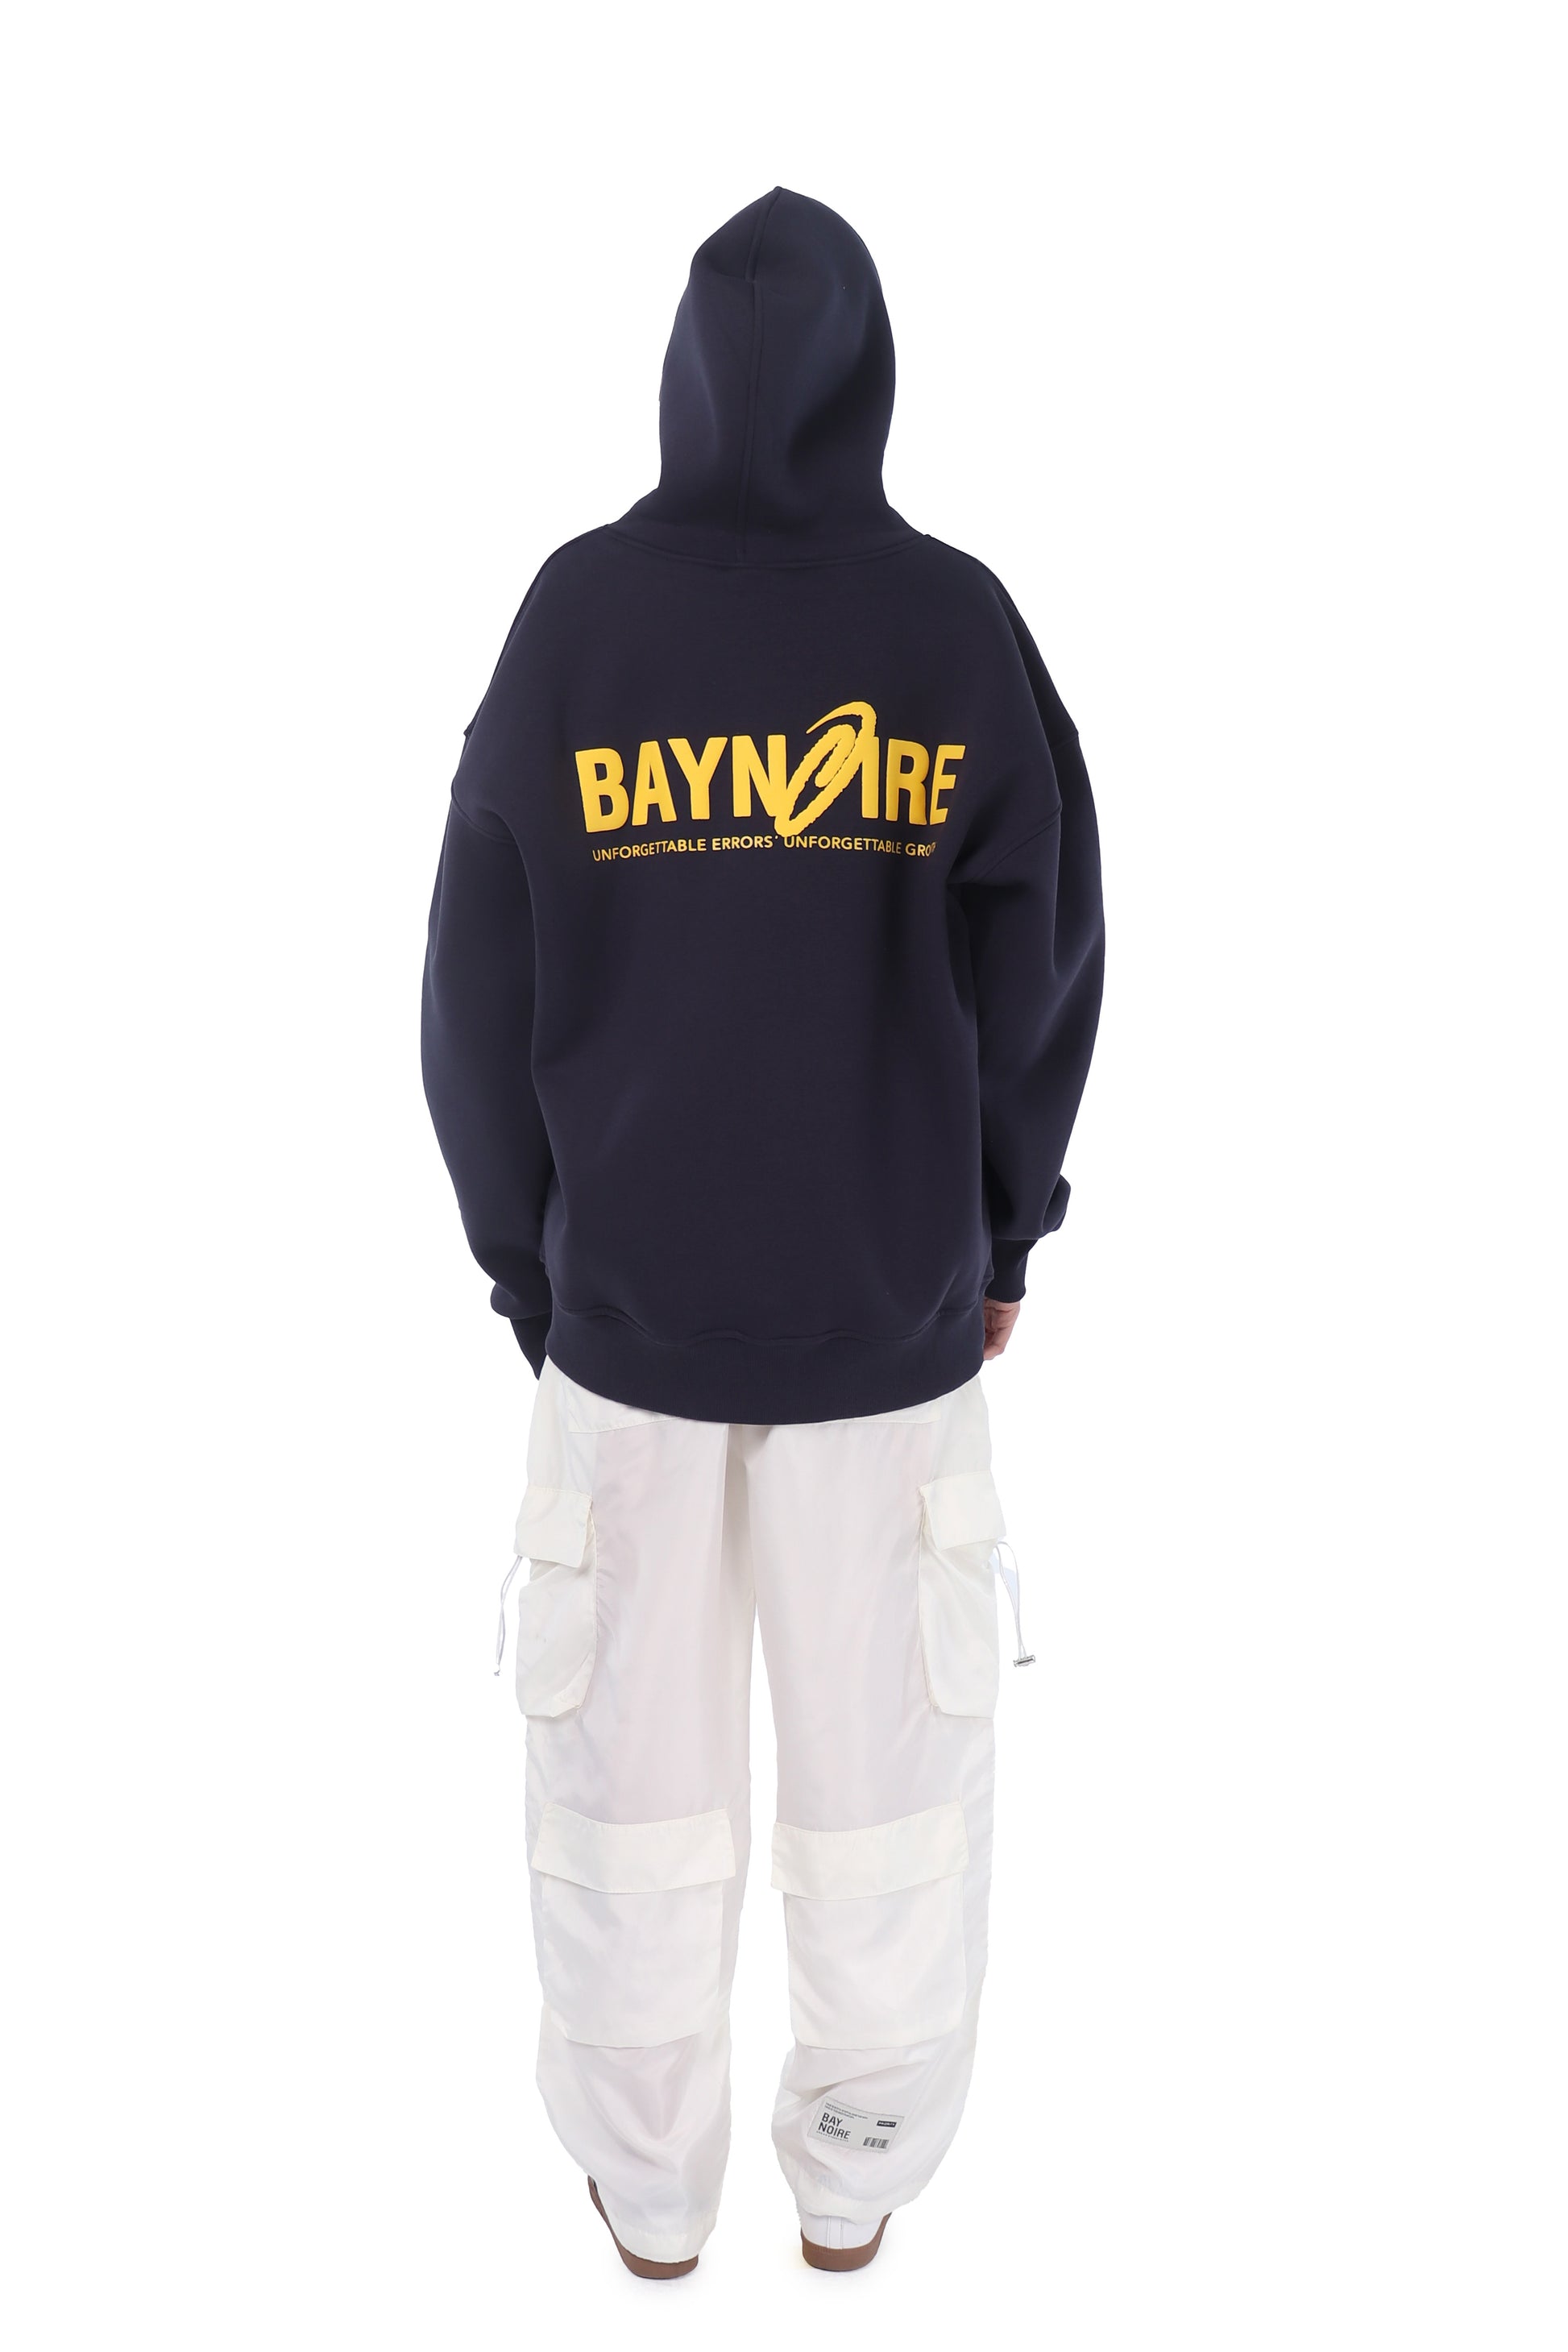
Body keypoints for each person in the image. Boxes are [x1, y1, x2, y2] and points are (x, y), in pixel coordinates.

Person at [421, 187, 1105, 2279]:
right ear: (869, 375)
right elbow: (1047, 966)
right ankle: (856, 2183)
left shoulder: (578, 619)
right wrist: (1000, 1233)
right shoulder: (951, 629)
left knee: (623, 1803)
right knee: (886, 1805)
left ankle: (648, 2197)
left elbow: (469, 979)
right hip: (886, 1337)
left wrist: (532, 1267)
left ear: (682, 381)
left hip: (626, 1337)